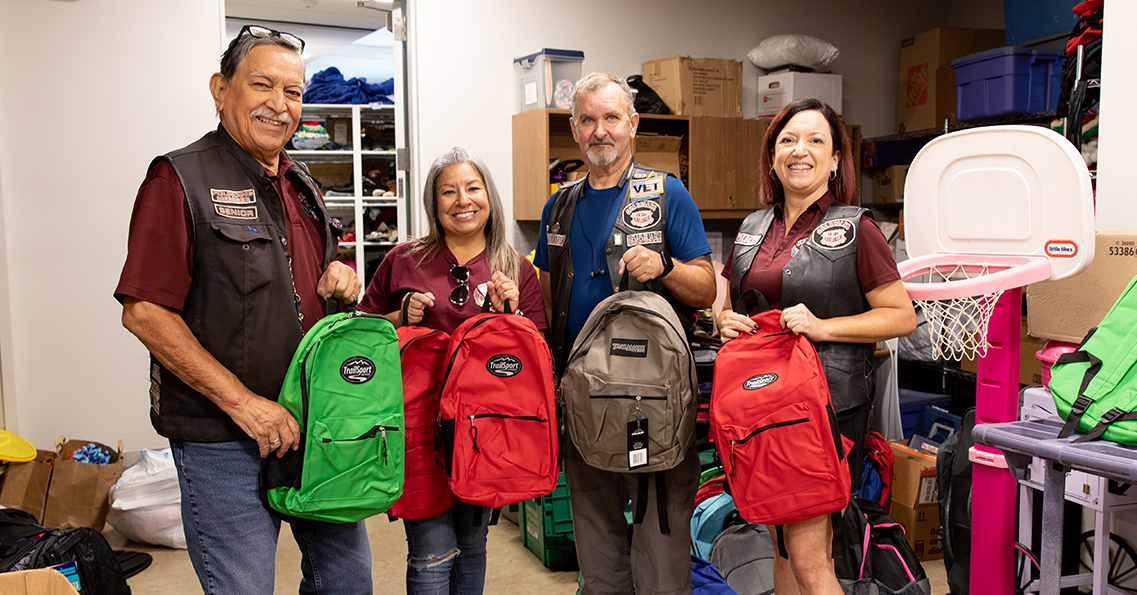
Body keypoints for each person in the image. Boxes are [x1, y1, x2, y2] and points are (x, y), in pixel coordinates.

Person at [115, 26, 370, 595]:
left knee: (348, 580)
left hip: (313, 429)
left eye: (295, 92)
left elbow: (310, 282)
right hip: (222, 439)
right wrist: (248, 407)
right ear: (220, 88)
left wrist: (340, 282)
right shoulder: (179, 177)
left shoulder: (303, 182)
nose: (280, 105)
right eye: (262, 85)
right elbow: (145, 312)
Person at [716, 96, 917, 595]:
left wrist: (825, 327)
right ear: (772, 157)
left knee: (809, 559)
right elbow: (724, 300)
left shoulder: (858, 228)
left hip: (827, 410)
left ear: (834, 160)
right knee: (780, 551)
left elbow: (901, 317)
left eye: (815, 140)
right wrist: (723, 319)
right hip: (763, 406)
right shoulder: (752, 228)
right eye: (787, 140)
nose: (798, 150)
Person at [534, 72, 717, 595]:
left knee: (660, 559)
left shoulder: (666, 195)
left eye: (611, 118)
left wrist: (664, 267)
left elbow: (705, 289)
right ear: (574, 128)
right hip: (585, 401)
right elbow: (548, 304)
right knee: (598, 556)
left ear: (632, 124)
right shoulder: (559, 206)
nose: (600, 131)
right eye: (588, 120)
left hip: (656, 402)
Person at [357, 146, 547, 595]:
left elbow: (537, 357)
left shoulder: (516, 270)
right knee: (431, 551)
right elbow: (360, 338)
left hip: (485, 430)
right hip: (418, 430)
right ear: (433, 203)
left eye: (472, 188)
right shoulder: (404, 260)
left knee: (473, 543)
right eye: (448, 192)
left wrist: (511, 317)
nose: (462, 200)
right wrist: (400, 319)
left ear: (489, 197)